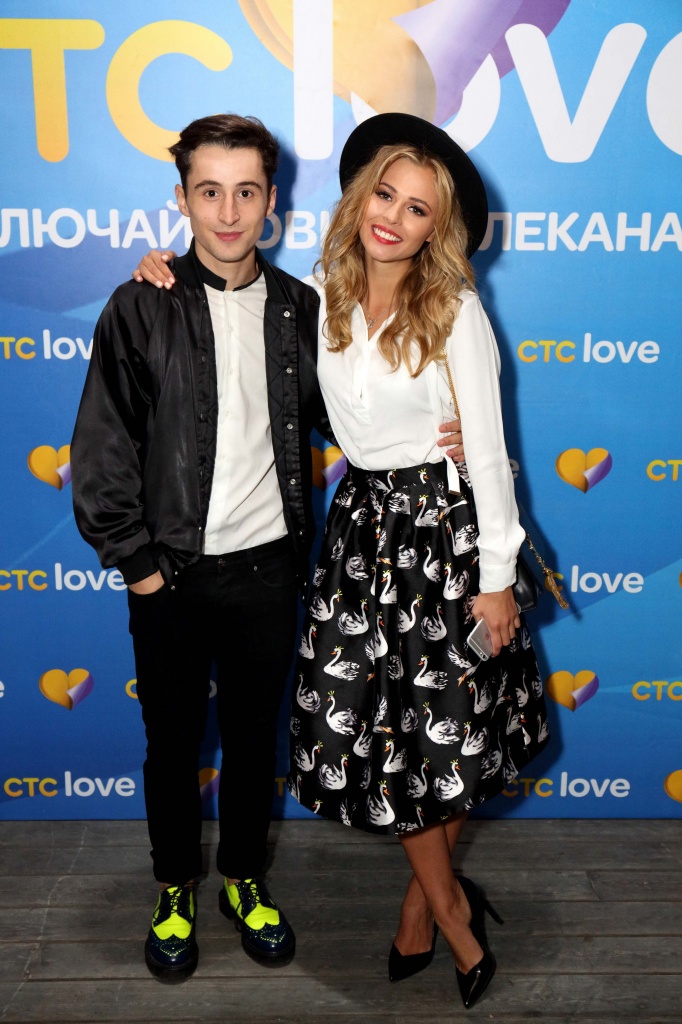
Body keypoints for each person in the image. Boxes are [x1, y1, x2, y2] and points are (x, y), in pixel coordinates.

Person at [74, 112, 463, 983]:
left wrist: (449, 430)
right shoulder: (141, 304)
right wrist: (139, 568)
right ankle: (174, 887)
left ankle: (244, 880)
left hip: (270, 572)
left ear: (271, 201)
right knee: (172, 745)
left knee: (255, 743)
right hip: (169, 576)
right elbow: (101, 451)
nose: (228, 212)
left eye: (245, 192)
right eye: (209, 192)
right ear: (181, 199)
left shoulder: (300, 308)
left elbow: (353, 410)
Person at [286, 114, 550, 1010]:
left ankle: (432, 912)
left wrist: (498, 578)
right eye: (386, 195)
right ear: (361, 197)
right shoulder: (315, 296)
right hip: (360, 539)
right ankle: (448, 904)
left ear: (439, 229)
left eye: (418, 209)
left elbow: (489, 450)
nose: (393, 218)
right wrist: (159, 273)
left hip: (446, 537)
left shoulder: (456, 311)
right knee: (373, 735)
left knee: (446, 733)